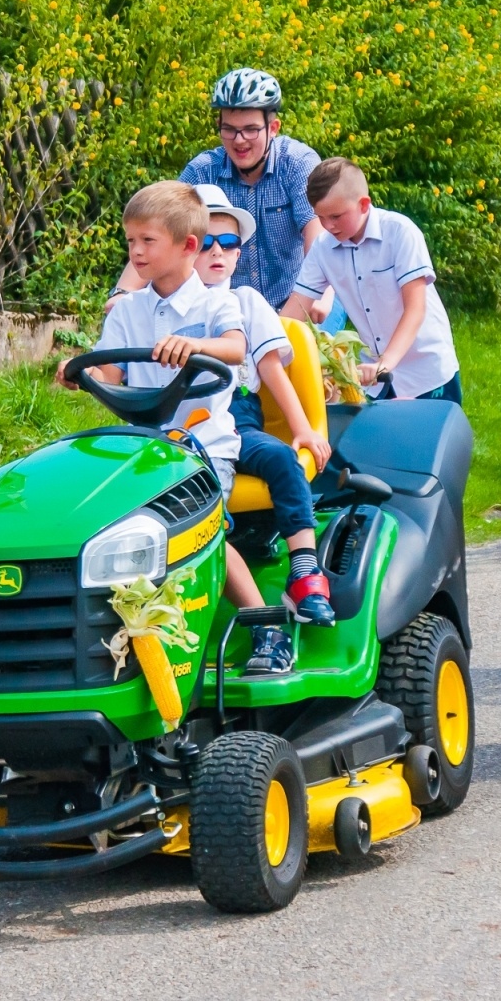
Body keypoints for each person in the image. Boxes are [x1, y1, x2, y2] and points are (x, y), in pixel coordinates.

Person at [61, 182, 296, 673]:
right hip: (145, 450)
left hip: (205, 448)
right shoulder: (129, 310)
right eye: (131, 241)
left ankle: (267, 627)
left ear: (188, 245)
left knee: (200, 528)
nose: (136, 252)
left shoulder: (215, 305)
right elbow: (110, 374)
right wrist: (79, 373)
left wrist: (196, 346)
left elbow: (235, 347)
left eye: (148, 241)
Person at [191, 183, 336, 662]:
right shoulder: (169, 307)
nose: (217, 252)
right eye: (206, 242)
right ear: (186, 247)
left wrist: (303, 428)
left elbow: (272, 370)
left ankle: (304, 570)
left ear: (239, 252)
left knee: (280, 459)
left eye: (228, 243)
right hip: (185, 425)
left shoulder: (246, 301)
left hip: (238, 421)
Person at [109, 69, 332, 319]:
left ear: (273, 128)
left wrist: (306, 307)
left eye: (251, 129)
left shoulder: (297, 164)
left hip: (300, 298)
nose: (239, 140)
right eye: (229, 129)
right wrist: (123, 292)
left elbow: (320, 240)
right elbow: (159, 229)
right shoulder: (202, 171)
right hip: (226, 308)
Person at [282, 158, 461, 404]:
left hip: (426, 371)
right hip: (375, 379)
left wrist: (385, 363)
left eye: (336, 216)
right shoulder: (323, 248)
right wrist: (264, 348)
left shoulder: (400, 232)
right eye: (320, 217)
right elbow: (293, 313)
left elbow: (416, 309)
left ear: (364, 204)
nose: (328, 226)